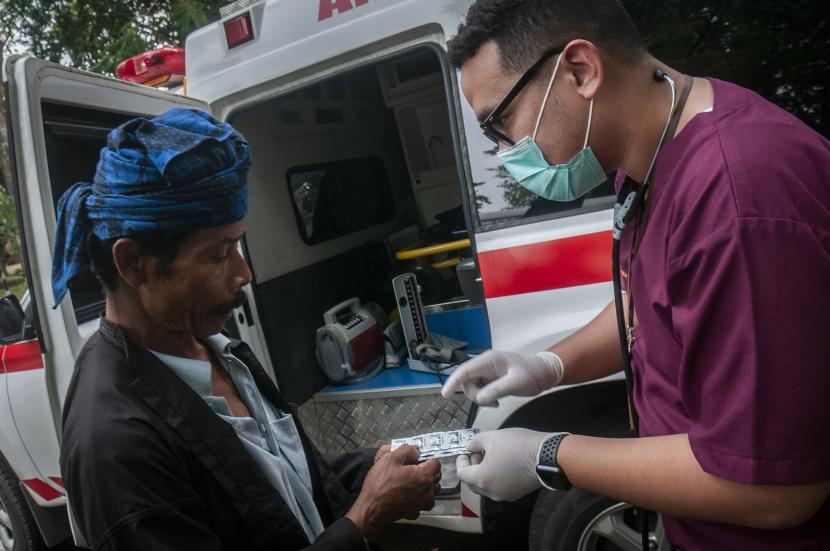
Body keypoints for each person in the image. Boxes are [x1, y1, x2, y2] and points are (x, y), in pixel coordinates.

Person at [441, 0, 830, 549]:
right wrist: (549, 365)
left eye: (502, 124)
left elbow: (772, 488)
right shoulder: (643, 157)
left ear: (580, 70)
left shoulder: (738, 199)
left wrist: (547, 455)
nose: (506, 154)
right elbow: (647, 299)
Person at [56, 108, 440, 551]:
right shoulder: (115, 446)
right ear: (133, 264)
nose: (244, 273)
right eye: (219, 255)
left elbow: (281, 481)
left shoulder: (218, 349)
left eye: (237, 245)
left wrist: (374, 463)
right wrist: (363, 520)